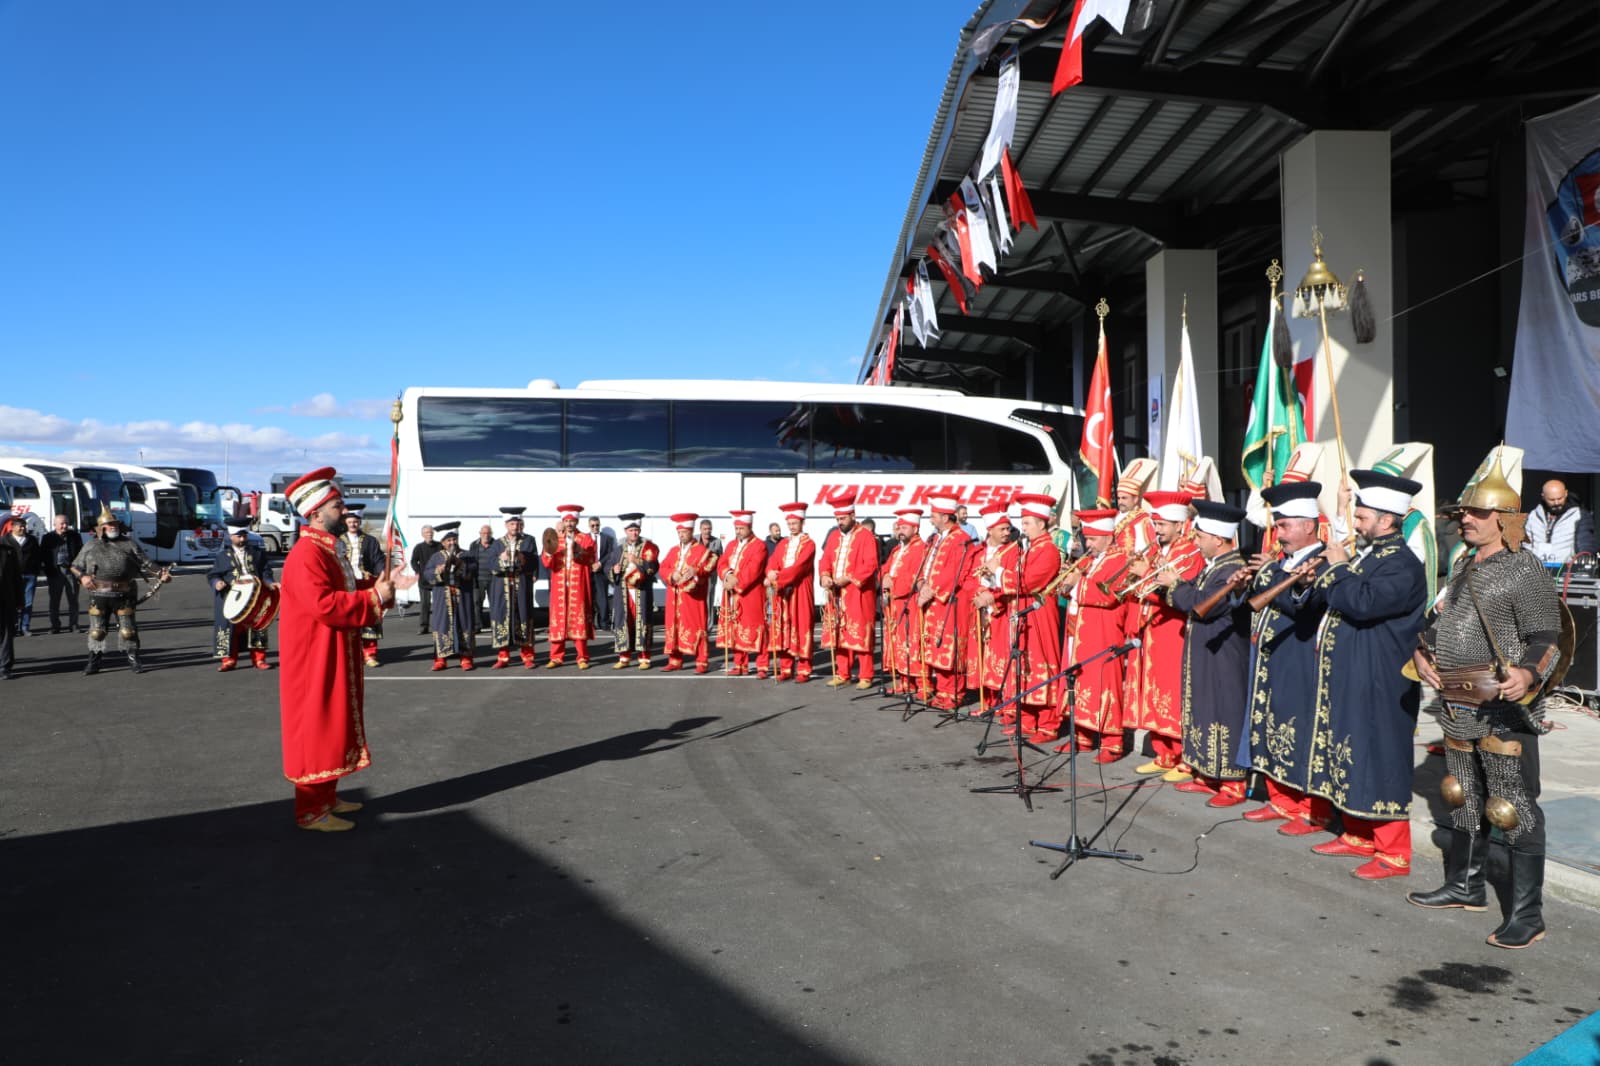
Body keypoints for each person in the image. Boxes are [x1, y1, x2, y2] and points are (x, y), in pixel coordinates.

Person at [1408, 456, 1561, 949]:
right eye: (1462, 513)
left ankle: (1527, 914)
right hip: (1455, 701)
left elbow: (1547, 635)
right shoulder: (1463, 564)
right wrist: (1422, 651)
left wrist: (1527, 672)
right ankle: (1465, 886)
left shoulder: (1523, 567)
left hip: (1501, 705)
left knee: (1510, 807)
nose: (1465, 519)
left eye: (1475, 512)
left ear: (1506, 519)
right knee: (1462, 796)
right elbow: (1441, 626)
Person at [1299, 470, 1428, 881]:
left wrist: (1336, 570)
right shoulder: (1369, 555)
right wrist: (1320, 575)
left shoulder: (1402, 563)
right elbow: (1338, 595)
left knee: (1382, 755)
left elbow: (1363, 603)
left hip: (1383, 678)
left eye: (1362, 517)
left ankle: (1394, 853)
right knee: (1352, 750)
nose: (1355, 523)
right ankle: (1356, 831)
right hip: (1355, 673)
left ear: (1387, 521)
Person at [277, 466, 394, 832]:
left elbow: (346, 584)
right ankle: (310, 811)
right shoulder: (307, 554)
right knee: (316, 726)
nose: (344, 512)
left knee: (333, 724)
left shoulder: (328, 548)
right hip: (315, 657)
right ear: (315, 513)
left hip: (333, 650)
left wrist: (377, 584)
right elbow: (324, 605)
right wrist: (374, 597)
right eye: (337, 506)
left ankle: (327, 797)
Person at [1243, 480, 1336, 835]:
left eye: (1284, 525)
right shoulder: (1282, 561)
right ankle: (1281, 800)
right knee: (1274, 724)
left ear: (1308, 526)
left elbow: (1299, 606)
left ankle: (1313, 810)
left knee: (1302, 730)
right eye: (1277, 525)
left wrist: (1268, 574)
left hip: (1302, 655)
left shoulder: (1324, 561)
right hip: (1273, 655)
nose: (1277, 533)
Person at [1160, 500, 1253, 806]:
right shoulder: (1216, 567)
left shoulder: (1233, 569)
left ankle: (1232, 782)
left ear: (1217, 538)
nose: (1196, 542)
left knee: (1224, 710)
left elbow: (1205, 605)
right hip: (1205, 650)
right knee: (1203, 707)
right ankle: (1206, 773)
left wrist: (1175, 585)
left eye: (1199, 537)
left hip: (1224, 654)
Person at [1125, 491, 1205, 775]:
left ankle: (1184, 756)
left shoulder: (1190, 553)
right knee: (1154, 688)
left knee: (1173, 690)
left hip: (1174, 629)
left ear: (1179, 524)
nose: (1157, 530)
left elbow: (1182, 594)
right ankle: (1164, 752)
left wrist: (1149, 575)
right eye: (1156, 524)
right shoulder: (1158, 550)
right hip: (1152, 628)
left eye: (1162, 525)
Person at [1053, 509, 1133, 759]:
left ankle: (1112, 742)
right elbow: (1073, 589)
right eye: (1087, 538)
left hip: (1104, 630)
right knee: (1078, 681)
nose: (1088, 544)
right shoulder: (1090, 559)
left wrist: (1078, 582)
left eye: (1094, 539)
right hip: (1078, 630)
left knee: (1103, 682)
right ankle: (1082, 736)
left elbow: (1110, 594)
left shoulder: (1120, 559)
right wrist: (1066, 584)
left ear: (1109, 537)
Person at [68, 505, 170, 675]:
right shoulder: (92, 545)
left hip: (124, 593)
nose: (113, 526)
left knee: (128, 631)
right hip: (99, 593)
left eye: (115, 523)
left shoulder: (129, 544)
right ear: (101, 528)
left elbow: (146, 563)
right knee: (97, 632)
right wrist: (83, 577)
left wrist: (161, 574)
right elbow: (75, 566)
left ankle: (134, 660)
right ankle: (94, 663)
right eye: (109, 524)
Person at [915, 494, 976, 710]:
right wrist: (921, 583)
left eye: (933, 516)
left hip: (949, 601)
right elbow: (926, 565)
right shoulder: (935, 538)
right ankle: (942, 690)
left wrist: (932, 590)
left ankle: (954, 692)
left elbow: (955, 572)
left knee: (949, 646)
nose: (931, 520)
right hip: (932, 600)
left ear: (944, 516)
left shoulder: (960, 538)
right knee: (935, 646)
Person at [818, 490, 879, 690]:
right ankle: (843, 673)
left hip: (857, 593)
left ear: (853, 516)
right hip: (836, 594)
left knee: (861, 632)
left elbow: (870, 564)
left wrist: (849, 578)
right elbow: (825, 560)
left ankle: (866, 675)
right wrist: (825, 576)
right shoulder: (834, 536)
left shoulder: (866, 535)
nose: (840, 522)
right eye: (837, 518)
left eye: (843, 518)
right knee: (839, 633)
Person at [968, 502, 1021, 713]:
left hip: (1001, 610)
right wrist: (979, 593)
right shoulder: (978, 551)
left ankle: (1003, 703)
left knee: (1000, 656)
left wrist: (992, 596)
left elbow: (1012, 581)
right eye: (1002, 529)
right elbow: (968, 579)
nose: (1007, 533)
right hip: (980, 608)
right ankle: (988, 701)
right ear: (990, 530)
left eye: (1008, 528)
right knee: (983, 655)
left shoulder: (1012, 551)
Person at [209, 517, 276, 671]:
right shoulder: (222, 556)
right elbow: (213, 575)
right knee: (229, 628)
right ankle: (229, 660)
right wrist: (217, 583)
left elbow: (265, 571)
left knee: (257, 625)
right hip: (231, 597)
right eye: (239, 536)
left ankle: (259, 659)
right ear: (231, 536)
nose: (242, 539)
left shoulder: (257, 553)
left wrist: (270, 582)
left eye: (244, 535)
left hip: (255, 596)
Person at [764, 502, 817, 682]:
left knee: (802, 626)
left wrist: (777, 578)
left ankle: (804, 669)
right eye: (789, 524)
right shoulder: (783, 543)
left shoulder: (809, 544)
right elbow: (773, 561)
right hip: (783, 591)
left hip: (800, 590)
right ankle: (786, 668)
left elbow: (799, 568)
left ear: (802, 523)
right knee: (784, 626)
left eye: (795, 523)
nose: (792, 527)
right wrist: (770, 572)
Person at [879, 509, 928, 696]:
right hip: (894, 603)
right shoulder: (896, 550)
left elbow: (916, 576)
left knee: (913, 642)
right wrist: (884, 577)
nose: (900, 530)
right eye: (899, 527)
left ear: (915, 528)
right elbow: (885, 569)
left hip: (910, 602)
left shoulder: (921, 548)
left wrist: (895, 583)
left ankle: (923, 684)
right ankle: (905, 681)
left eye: (904, 527)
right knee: (897, 642)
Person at [541, 504, 596, 668]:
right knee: (558, 619)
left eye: (572, 521)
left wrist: (577, 550)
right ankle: (556, 657)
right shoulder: (555, 539)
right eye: (566, 521)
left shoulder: (585, 538)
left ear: (576, 522)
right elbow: (546, 562)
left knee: (578, 619)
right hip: (559, 585)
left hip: (577, 585)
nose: (569, 524)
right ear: (563, 522)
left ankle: (582, 657)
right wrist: (549, 553)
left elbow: (590, 557)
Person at [661, 512, 716, 673]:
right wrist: (672, 574)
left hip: (693, 598)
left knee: (696, 626)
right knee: (674, 627)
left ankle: (701, 662)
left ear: (691, 532)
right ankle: (675, 660)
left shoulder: (701, 550)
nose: (681, 535)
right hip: (674, 596)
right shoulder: (673, 550)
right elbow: (663, 567)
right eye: (679, 532)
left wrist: (696, 571)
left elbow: (711, 564)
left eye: (684, 532)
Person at [718, 510, 768, 675]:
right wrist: (726, 575)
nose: (738, 531)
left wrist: (735, 582)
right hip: (732, 593)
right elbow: (722, 562)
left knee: (756, 627)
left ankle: (762, 665)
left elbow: (754, 569)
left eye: (741, 528)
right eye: (736, 528)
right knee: (735, 627)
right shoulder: (731, 545)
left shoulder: (759, 545)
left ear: (750, 527)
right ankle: (739, 664)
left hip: (750, 593)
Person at [336, 505, 386, 667]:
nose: (353, 524)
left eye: (355, 522)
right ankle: (348, 655)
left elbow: (378, 560)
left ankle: (369, 654)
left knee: (369, 619)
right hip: (345, 585)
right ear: (345, 522)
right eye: (350, 522)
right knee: (346, 621)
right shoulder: (337, 540)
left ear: (359, 522)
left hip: (365, 584)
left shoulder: (370, 541)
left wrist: (382, 573)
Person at [489, 507, 539, 669]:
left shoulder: (528, 541)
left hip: (522, 586)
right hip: (502, 589)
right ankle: (503, 657)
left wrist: (521, 558)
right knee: (502, 619)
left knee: (524, 617)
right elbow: (490, 566)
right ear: (506, 525)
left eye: (517, 524)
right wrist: (501, 560)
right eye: (511, 524)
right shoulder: (497, 544)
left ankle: (528, 656)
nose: (515, 527)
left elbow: (533, 563)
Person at [611, 513, 659, 669]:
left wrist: (637, 561)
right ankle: (624, 657)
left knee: (642, 622)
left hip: (641, 591)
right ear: (626, 531)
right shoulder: (618, 550)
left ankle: (644, 658)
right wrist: (614, 570)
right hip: (623, 592)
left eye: (636, 530)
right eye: (631, 530)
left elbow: (653, 567)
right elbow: (608, 568)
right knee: (624, 622)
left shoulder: (648, 547)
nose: (634, 533)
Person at [425, 522, 475, 671]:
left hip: (462, 596)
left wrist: (461, 565)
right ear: (442, 542)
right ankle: (441, 659)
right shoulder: (436, 557)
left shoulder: (467, 554)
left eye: (454, 539)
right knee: (441, 625)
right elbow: (427, 574)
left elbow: (473, 571)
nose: (452, 543)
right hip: (443, 596)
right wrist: (438, 571)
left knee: (464, 624)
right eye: (449, 540)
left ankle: (466, 658)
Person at [1524, 478, 1596, 566]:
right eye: (1551, 500)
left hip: (1564, 569)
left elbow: (1585, 540)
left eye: (1559, 498)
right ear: (1543, 496)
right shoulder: (1532, 515)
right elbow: (1526, 544)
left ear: (1566, 493)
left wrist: (1585, 555)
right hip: (1536, 570)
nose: (1556, 503)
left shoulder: (1579, 515)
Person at [40, 513, 82, 633]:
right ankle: (55, 626)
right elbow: (43, 555)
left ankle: (74, 624)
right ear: (55, 525)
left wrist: (79, 569)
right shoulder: (48, 537)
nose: (64, 526)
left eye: (66, 523)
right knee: (54, 600)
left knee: (73, 599)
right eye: (62, 524)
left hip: (71, 571)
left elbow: (81, 552)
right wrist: (48, 570)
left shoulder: (75, 536)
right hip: (55, 572)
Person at [1111, 457, 1159, 558]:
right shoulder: (1115, 516)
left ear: (1136, 499)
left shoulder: (1143, 520)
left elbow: (1149, 550)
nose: (1120, 502)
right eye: (1119, 498)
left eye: (1124, 498)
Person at [9, 517, 40, 636]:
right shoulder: (5, 540)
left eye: (24, 526)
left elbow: (38, 556)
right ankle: (13, 626)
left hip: (29, 575)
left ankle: (25, 627)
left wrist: (35, 571)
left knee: (28, 603)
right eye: (20, 526)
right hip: (11, 577)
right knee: (12, 603)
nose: (23, 528)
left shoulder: (32, 540)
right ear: (13, 527)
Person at [0, 518, 21, 679]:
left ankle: (5, 667)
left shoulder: (8, 549)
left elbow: (16, 577)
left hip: (6, 598)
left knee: (6, 633)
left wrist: (19, 600)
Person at [410, 525, 441, 635]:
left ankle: (439, 625)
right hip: (424, 581)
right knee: (425, 604)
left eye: (431, 532)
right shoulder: (419, 547)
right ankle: (424, 626)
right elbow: (413, 561)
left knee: (439, 604)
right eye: (427, 532)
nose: (429, 534)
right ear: (423, 534)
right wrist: (419, 572)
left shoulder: (439, 546)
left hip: (438, 580)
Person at [589, 515, 617, 632]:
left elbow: (611, 553)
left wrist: (599, 563)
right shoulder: (583, 538)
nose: (595, 527)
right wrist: (591, 564)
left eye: (597, 525)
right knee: (588, 599)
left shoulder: (607, 538)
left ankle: (604, 622)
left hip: (601, 572)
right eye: (593, 525)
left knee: (602, 599)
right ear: (589, 526)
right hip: (588, 572)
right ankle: (589, 624)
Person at [466, 524, 497, 628]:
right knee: (477, 603)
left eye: (488, 533)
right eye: (484, 533)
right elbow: (470, 561)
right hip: (478, 579)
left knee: (494, 603)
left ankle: (495, 624)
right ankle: (477, 625)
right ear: (480, 534)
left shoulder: (497, 544)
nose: (486, 535)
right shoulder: (474, 545)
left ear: (491, 534)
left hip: (493, 579)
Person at [697, 519, 724, 627]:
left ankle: (708, 626)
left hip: (710, 576)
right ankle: (697, 624)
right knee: (696, 599)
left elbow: (722, 559)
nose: (707, 531)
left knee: (708, 599)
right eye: (705, 529)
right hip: (696, 575)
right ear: (700, 529)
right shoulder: (694, 539)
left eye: (709, 529)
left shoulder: (717, 542)